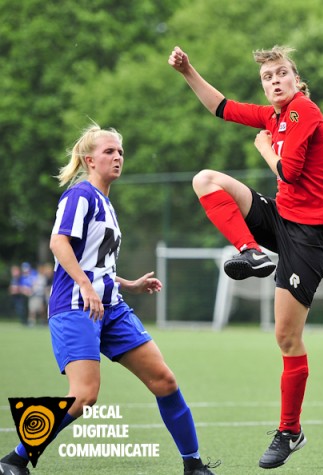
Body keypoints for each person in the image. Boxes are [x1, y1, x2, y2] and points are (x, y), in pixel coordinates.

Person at [0, 125, 218, 475]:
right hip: (75, 307)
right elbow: (60, 245)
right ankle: (13, 459)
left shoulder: (106, 204)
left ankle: (194, 466)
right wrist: (86, 286)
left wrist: (127, 284)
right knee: (84, 395)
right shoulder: (80, 196)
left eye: (120, 152)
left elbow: (93, 264)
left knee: (164, 381)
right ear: (89, 160)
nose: (117, 157)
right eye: (109, 152)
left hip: (111, 308)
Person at [168, 45, 323, 469]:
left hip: (311, 235)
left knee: (286, 337)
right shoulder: (273, 116)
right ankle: (251, 251)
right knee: (206, 179)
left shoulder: (304, 110)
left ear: (296, 80)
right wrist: (188, 70)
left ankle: (290, 431)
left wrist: (264, 148)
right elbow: (221, 107)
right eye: (268, 78)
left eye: (282, 73)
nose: (275, 81)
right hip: (283, 218)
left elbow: (289, 172)